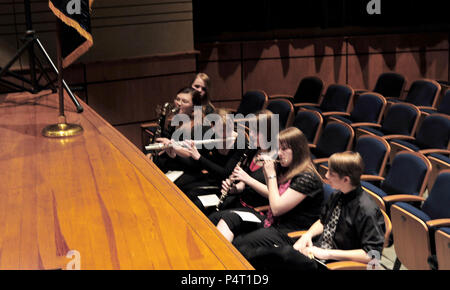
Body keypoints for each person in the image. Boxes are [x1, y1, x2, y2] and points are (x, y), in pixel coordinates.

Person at [247, 151, 386, 270]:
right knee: (259, 252)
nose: (326, 176)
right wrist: (307, 235)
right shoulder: (338, 194)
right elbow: (323, 221)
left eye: (331, 173)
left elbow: (372, 256)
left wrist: (328, 254)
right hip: (316, 252)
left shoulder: (367, 210)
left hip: (335, 263)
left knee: (275, 257)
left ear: (346, 179)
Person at [215, 127, 324, 258]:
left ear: (297, 150)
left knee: (239, 244)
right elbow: (274, 196)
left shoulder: (308, 178)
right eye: (278, 148)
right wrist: (267, 174)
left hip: (288, 232)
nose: (279, 153)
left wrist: (271, 175)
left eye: (284, 149)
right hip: (271, 221)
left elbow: (277, 208)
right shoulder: (286, 168)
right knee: (226, 218)